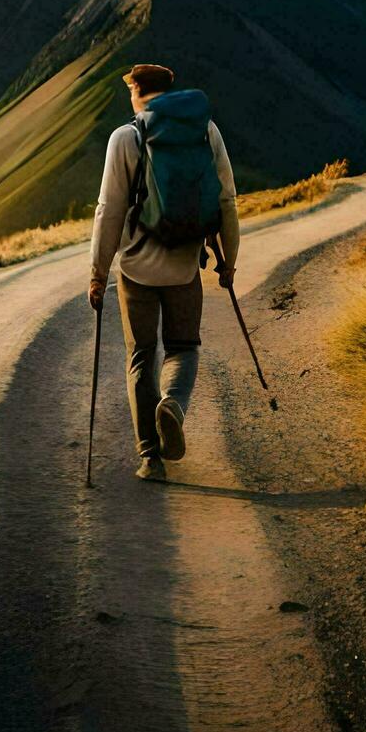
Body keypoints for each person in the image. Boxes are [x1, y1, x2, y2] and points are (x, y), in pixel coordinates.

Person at [87, 64, 239, 482]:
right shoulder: (205, 130)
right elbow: (226, 199)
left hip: (136, 270)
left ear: (136, 91)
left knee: (141, 356)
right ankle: (172, 404)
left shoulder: (125, 137)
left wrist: (98, 273)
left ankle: (150, 458)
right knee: (183, 348)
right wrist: (228, 261)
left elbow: (109, 210)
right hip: (185, 265)